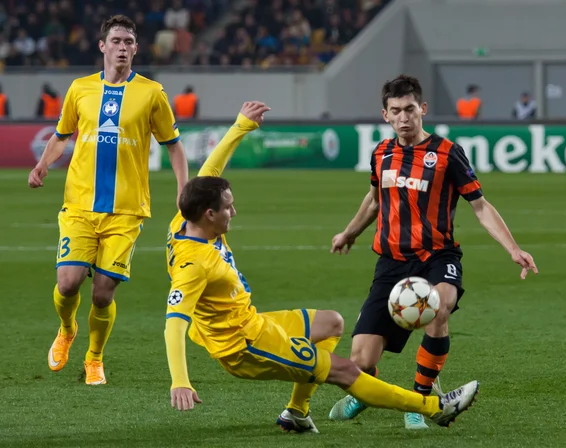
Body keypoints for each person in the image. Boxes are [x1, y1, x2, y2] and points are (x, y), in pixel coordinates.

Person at [163, 101, 479, 433]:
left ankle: (296, 412)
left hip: (251, 321)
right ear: (209, 215)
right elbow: (174, 324)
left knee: (331, 323)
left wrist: (241, 125)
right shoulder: (194, 265)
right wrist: (180, 381)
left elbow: (210, 170)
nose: (234, 212)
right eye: (228, 208)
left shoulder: (185, 218)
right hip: (244, 345)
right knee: (345, 371)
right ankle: (434, 407)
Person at [327, 74, 537, 429]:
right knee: (360, 362)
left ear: (422, 109)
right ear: (386, 115)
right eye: (396, 111)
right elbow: (376, 200)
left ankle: (420, 399)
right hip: (392, 261)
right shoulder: (382, 153)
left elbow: (480, 205)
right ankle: (368, 391)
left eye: (410, 109)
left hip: (438, 257)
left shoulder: (447, 153)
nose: (404, 117)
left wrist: (513, 248)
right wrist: (349, 233)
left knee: (439, 308)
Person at [27, 15, 189, 385]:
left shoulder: (152, 93)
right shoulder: (80, 89)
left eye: (129, 42)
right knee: (67, 283)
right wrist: (43, 164)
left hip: (126, 210)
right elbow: (62, 134)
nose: (122, 47)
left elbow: (174, 147)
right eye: (116, 40)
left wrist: (184, 188)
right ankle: (67, 329)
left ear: (136, 49)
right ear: (102, 46)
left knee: (102, 293)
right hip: (80, 205)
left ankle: (94, 358)